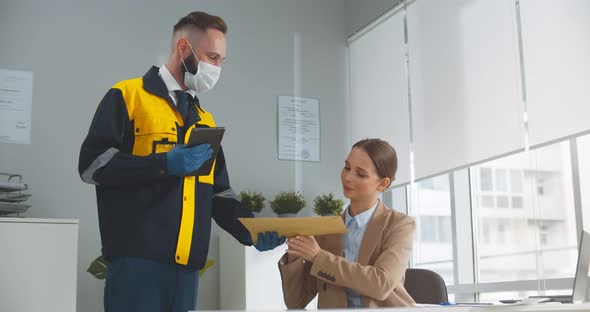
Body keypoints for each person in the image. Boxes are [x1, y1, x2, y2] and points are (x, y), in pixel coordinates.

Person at [78, 11, 284, 312]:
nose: (217, 68)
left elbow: (218, 193)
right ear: (184, 49)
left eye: (221, 61)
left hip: (187, 271)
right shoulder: (127, 96)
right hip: (137, 266)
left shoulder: (203, 119)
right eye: (212, 57)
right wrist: (163, 163)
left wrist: (251, 230)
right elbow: (92, 165)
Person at [278, 138, 416, 308]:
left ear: (383, 183)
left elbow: (381, 284)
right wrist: (295, 253)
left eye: (360, 173)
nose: (347, 177)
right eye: (347, 167)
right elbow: (295, 302)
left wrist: (318, 257)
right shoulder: (325, 229)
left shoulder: (400, 225)